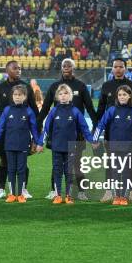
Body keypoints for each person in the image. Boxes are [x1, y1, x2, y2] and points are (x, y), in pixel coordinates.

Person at [38, 59, 97, 201]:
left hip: (77, 134)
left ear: (73, 68)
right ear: (61, 67)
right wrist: (37, 124)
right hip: (57, 133)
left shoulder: (81, 86)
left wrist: (96, 128)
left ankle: (81, 191)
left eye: (69, 65)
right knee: (56, 164)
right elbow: (45, 108)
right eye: (64, 65)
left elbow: (90, 108)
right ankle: (55, 191)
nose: (66, 67)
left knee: (77, 163)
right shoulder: (54, 87)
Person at [0, 60, 39, 198]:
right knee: (3, 160)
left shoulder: (26, 87)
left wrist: (36, 138)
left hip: (22, 132)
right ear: (7, 70)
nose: (18, 71)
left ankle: (23, 189)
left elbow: (34, 111)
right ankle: (1, 189)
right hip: (5, 133)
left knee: (23, 161)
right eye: (15, 68)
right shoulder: (0, 88)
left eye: (20, 68)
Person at [93, 85, 132, 206]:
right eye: (120, 95)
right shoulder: (111, 110)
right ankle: (116, 196)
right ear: (117, 96)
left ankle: (124, 197)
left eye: (124, 95)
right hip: (114, 146)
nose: (122, 97)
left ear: (129, 96)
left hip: (129, 146)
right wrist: (94, 138)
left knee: (127, 172)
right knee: (115, 171)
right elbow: (101, 124)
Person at [0, 85, 40, 203]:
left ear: (25, 96)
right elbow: (0, 128)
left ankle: (21, 195)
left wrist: (38, 142)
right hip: (9, 145)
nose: (17, 97)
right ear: (12, 96)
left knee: (21, 169)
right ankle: (12, 194)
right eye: (15, 95)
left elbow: (34, 129)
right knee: (11, 169)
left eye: (20, 95)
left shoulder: (29, 111)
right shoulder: (7, 110)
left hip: (23, 145)